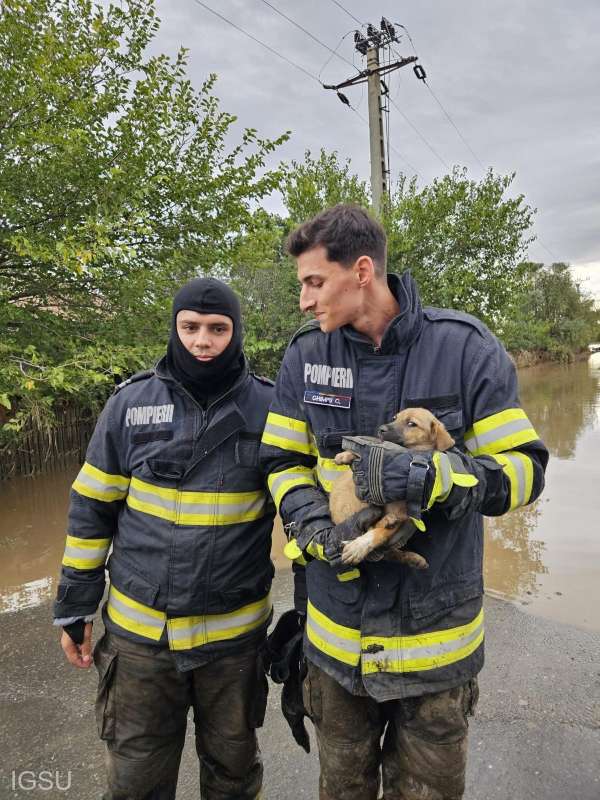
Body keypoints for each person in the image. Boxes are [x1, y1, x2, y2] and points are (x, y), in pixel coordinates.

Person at [260, 204, 548, 800]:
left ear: (362, 271)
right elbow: (281, 462)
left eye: (315, 283)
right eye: (302, 287)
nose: (305, 301)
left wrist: (435, 478)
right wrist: (315, 525)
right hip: (337, 644)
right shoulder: (305, 357)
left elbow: (524, 472)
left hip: (435, 650)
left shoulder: (466, 349)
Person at [54, 277, 275, 800]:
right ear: (175, 328)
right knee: (136, 781)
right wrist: (74, 608)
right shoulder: (130, 405)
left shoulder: (270, 408)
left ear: (236, 332)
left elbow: (301, 514)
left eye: (218, 329)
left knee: (234, 778)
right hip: (141, 646)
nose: (203, 341)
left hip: (233, 643)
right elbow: (90, 511)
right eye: (191, 327)